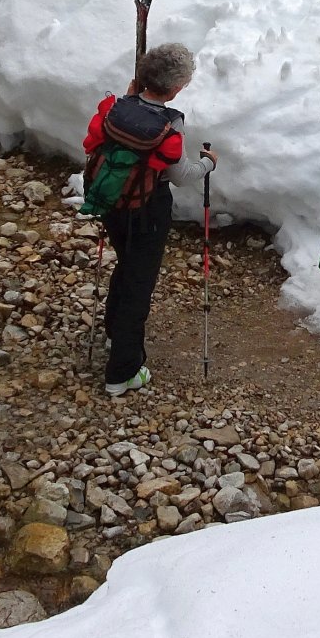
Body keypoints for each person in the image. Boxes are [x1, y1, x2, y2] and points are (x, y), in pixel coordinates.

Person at [82, 42, 214, 397]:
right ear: (176, 88)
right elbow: (180, 175)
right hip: (147, 210)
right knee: (139, 283)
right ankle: (122, 372)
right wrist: (208, 163)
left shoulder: (120, 107)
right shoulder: (170, 123)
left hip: (112, 202)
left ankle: (115, 333)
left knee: (126, 265)